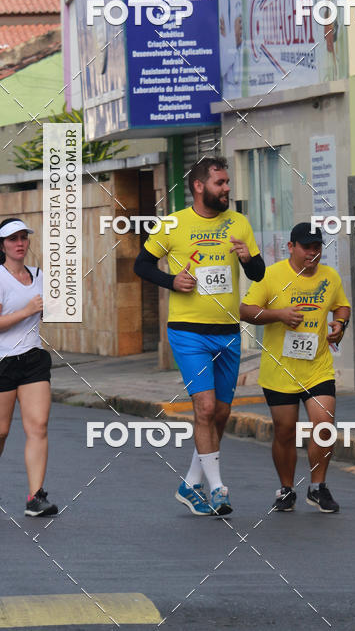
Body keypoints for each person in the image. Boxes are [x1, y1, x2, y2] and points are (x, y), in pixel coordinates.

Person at [134, 157, 264, 516]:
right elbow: (141, 265)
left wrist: (246, 257)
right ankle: (218, 488)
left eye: (227, 183)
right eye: (220, 183)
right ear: (198, 186)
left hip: (228, 332)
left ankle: (190, 482)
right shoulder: (174, 224)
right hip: (188, 331)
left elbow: (257, 272)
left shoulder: (238, 222)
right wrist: (171, 281)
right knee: (204, 408)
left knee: (220, 413)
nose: (226, 189)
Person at [240, 222, 350, 514]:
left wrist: (340, 324)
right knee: (285, 432)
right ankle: (286, 489)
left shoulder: (330, 276)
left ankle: (318, 487)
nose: (313, 254)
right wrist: (278, 315)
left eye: (317, 247)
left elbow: (342, 306)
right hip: (280, 370)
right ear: (291, 247)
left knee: (324, 427)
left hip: (318, 368)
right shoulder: (271, 276)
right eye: (307, 248)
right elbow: (245, 310)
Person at [0, 218, 58, 517]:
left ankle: (35, 497)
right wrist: (27, 311)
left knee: (38, 426)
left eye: (23, 237)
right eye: (12, 239)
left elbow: (46, 314)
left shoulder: (39, 275)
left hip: (32, 359)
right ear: (1, 246)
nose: (19, 243)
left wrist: (56, 310)